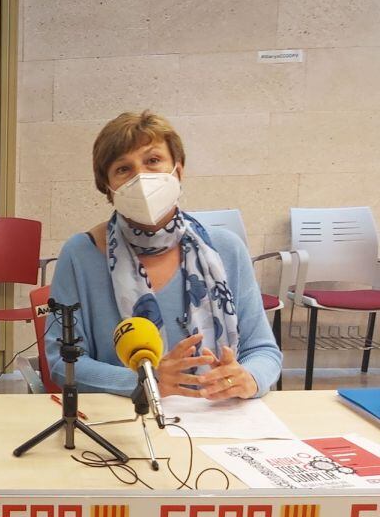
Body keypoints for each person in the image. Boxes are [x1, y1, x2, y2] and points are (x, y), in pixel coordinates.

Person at [44, 111, 282, 400]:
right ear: (108, 189)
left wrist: (249, 378)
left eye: (153, 161)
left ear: (178, 172)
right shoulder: (81, 255)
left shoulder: (227, 249)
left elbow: (263, 351)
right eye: (123, 169)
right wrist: (145, 381)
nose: (141, 178)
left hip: (218, 417)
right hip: (127, 418)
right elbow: (63, 362)